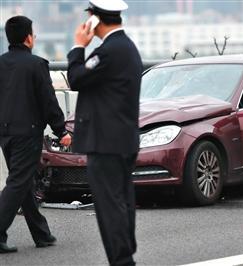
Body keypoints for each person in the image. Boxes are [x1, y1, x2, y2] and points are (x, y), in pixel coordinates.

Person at [67, 0, 142, 265]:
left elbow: (75, 78)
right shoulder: (127, 47)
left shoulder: (109, 51)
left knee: (110, 206)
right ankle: (125, 257)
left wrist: (78, 46)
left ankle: (122, 261)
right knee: (122, 202)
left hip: (106, 143)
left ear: (95, 19)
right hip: (121, 140)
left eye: (89, 15)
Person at [0, 16, 71, 253]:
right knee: (19, 182)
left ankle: (41, 234)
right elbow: (48, 102)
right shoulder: (36, 64)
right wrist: (61, 130)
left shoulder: (1, 63)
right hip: (27, 134)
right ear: (29, 38)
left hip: (6, 133)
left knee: (24, 182)